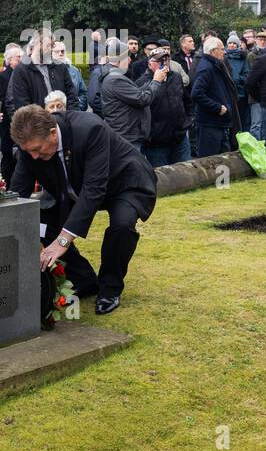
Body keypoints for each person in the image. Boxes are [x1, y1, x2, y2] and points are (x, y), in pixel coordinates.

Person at [10, 103, 158, 316]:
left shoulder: (90, 129)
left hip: (124, 181)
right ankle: (84, 280)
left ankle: (110, 288)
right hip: (75, 189)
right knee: (43, 223)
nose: (33, 157)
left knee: (122, 225)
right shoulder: (29, 148)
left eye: (37, 150)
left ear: (53, 133)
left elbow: (94, 190)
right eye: (28, 152)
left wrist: (62, 241)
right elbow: (17, 192)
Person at [97, 39, 165, 152]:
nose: (129, 61)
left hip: (125, 133)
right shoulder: (116, 79)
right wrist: (156, 81)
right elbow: (143, 99)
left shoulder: (112, 75)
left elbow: (135, 93)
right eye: (127, 57)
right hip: (127, 136)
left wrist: (150, 81)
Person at [7, 31, 78, 118]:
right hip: (38, 127)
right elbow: (22, 105)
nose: (51, 49)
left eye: (52, 45)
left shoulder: (60, 67)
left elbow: (72, 97)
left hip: (63, 123)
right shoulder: (21, 70)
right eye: (48, 45)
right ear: (37, 44)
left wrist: (69, 118)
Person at [141, 47, 191, 167]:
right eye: (159, 61)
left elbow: (187, 100)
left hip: (180, 137)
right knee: (163, 178)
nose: (164, 63)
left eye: (166, 59)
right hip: (157, 141)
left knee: (188, 172)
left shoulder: (176, 77)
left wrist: (189, 120)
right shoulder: (142, 82)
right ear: (149, 63)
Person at [190, 36, 240, 156]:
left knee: (223, 161)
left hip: (219, 123)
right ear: (213, 51)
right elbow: (196, 94)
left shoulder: (216, 65)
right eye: (222, 49)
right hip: (209, 124)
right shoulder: (206, 68)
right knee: (210, 162)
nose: (225, 51)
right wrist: (217, 107)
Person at [0, 43, 23, 182]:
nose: (21, 60)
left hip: (21, 122)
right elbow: (0, 101)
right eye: (18, 57)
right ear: (9, 60)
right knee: (8, 157)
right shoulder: (3, 77)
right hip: (7, 123)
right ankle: (5, 185)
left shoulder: (23, 75)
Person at [50, 41, 88, 111]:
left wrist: (78, 106)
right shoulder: (47, 71)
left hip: (74, 113)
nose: (60, 54)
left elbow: (83, 93)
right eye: (57, 51)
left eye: (62, 51)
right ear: (51, 54)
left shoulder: (74, 70)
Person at [225, 32, 249, 131]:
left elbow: (247, 75)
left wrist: (238, 78)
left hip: (240, 94)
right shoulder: (223, 57)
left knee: (241, 121)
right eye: (230, 43)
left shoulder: (243, 58)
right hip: (226, 94)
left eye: (235, 43)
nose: (232, 45)